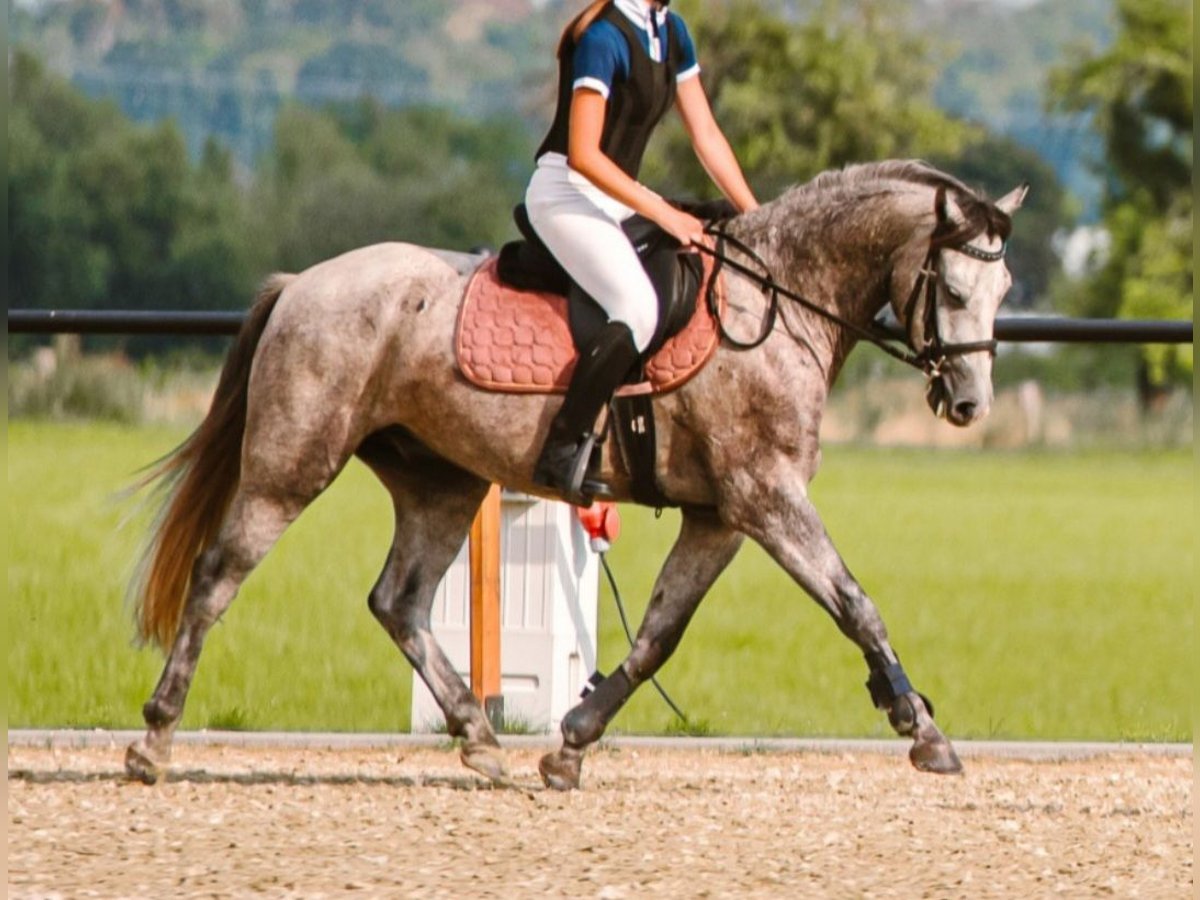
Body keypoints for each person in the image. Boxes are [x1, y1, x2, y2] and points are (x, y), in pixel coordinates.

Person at [526, 0, 759, 504]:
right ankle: (563, 448)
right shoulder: (603, 38)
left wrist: (757, 215)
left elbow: (707, 137)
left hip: (613, 199)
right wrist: (662, 211)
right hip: (564, 193)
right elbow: (584, 155)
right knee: (636, 308)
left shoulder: (671, 31)